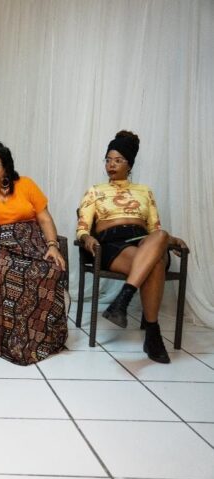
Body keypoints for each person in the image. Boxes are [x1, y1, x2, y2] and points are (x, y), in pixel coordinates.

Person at [77, 130, 187, 364]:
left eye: (118, 160)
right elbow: (83, 227)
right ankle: (153, 334)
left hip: (143, 240)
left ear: (129, 164)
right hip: (113, 243)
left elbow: (155, 228)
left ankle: (123, 298)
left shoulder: (145, 191)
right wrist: (87, 238)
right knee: (155, 264)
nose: (111, 165)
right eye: (108, 160)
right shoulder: (95, 191)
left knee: (161, 236)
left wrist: (172, 240)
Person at [0, 141, 68, 365]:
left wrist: (52, 245)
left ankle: (43, 338)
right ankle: (8, 341)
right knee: (2, 273)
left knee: (50, 269)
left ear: (5, 169)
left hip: (30, 241)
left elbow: (44, 218)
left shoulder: (26, 184)